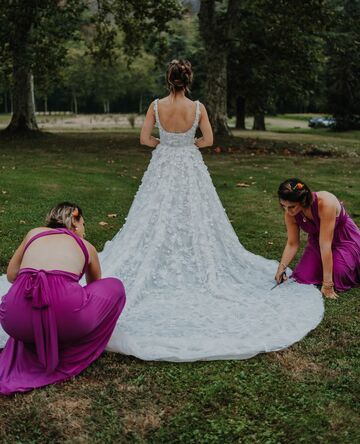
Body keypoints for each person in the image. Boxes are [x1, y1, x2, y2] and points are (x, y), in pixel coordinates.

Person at [98, 59, 324, 361]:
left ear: (168, 80)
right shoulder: (198, 108)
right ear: (188, 80)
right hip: (189, 164)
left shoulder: (155, 106)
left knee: (155, 213)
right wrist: (185, 145)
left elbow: (143, 139)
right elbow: (208, 140)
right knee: (196, 214)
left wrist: (164, 144)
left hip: (163, 163)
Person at [0, 202, 126, 395]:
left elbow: (11, 275)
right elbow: (95, 285)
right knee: (115, 287)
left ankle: (39, 329)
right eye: (83, 224)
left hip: (15, 320)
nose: (84, 230)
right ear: (75, 223)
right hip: (66, 317)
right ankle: (69, 347)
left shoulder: (34, 233)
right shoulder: (87, 246)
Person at [275, 179, 360, 299]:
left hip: (344, 239)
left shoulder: (326, 203)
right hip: (318, 242)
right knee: (302, 277)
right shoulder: (290, 213)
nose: (288, 211)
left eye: (292, 207)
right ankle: (324, 268)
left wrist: (327, 285)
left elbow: (326, 245)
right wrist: (281, 268)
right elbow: (292, 243)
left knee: (339, 274)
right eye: (283, 206)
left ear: (303, 201)